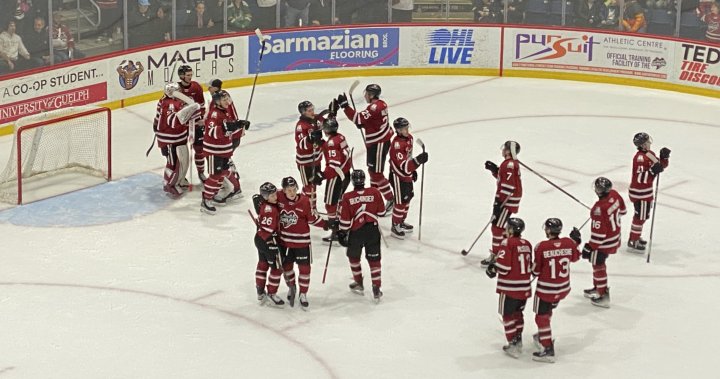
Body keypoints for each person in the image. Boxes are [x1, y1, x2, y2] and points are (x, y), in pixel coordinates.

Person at [337, 84, 394, 214]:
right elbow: (370, 121)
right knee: (372, 171)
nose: (365, 95)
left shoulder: (375, 107)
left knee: (377, 174)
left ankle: (391, 199)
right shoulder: (380, 104)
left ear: (371, 95)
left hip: (379, 143)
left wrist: (345, 106)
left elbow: (358, 118)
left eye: (367, 93)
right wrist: (364, 124)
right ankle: (375, 197)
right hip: (376, 142)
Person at [530, 218, 581, 363]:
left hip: (546, 290)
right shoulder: (568, 243)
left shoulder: (541, 247)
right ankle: (543, 335)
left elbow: (536, 270)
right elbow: (575, 257)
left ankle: (547, 348)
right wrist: (576, 241)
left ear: (547, 230)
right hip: (563, 288)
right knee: (547, 312)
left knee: (541, 317)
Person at [276, 176, 328, 310]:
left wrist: (326, 224)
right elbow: (267, 198)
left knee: (305, 270)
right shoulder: (278, 197)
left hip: (302, 242)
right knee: (287, 267)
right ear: (284, 190)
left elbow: (311, 218)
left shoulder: (304, 201)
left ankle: (303, 294)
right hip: (285, 242)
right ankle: (291, 287)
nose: (292, 193)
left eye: (294, 190)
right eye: (289, 190)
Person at [485, 218, 532, 358]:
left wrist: (493, 268)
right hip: (524, 287)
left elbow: (504, 267)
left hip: (510, 288)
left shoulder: (507, 243)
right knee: (518, 314)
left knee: (507, 315)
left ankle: (513, 343)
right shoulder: (527, 244)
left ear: (511, 230)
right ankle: (518, 339)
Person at [336, 169, 386, 302]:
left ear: (352, 181)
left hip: (356, 232)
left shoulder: (347, 197)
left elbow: (345, 222)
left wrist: (340, 231)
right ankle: (376, 287)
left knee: (353, 257)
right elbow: (381, 213)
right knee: (374, 260)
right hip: (372, 231)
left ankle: (358, 282)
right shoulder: (375, 192)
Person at [201, 90, 249, 214]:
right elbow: (211, 131)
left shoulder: (224, 112)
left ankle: (213, 195)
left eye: (228, 99)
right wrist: (228, 127)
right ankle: (206, 200)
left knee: (222, 173)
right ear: (217, 102)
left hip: (223, 151)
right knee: (215, 175)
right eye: (224, 100)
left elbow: (227, 130)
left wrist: (238, 125)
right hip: (214, 151)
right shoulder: (215, 114)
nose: (228, 102)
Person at [583, 177, 627, 308]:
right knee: (597, 263)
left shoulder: (598, 209)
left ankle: (603, 294)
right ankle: (598, 287)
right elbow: (623, 211)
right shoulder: (615, 194)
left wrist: (589, 247)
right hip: (615, 237)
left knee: (598, 264)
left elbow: (599, 234)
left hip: (604, 243)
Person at [153, 83, 201, 198]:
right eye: (178, 90)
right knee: (173, 163)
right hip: (170, 140)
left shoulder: (172, 101)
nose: (181, 92)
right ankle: (169, 184)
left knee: (182, 161)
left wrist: (191, 110)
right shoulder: (169, 103)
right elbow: (173, 121)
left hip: (178, 137)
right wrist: (189, 110)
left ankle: (179, 180)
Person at [310, 118, 352, 242]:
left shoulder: (332, 143)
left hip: (336, 177)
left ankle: (336, 231)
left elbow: (334, 165)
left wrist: (322, 175)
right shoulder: (340, 137)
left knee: (330, 204)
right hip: (345, 174)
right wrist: (321, 142)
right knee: (338, 202)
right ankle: (343, 227)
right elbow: (335, 150)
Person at [482, 141, 523, 267]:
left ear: (507, 151)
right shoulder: (510, 164)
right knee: (501, 228)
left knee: (497, 228)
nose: (502, 150)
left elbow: (508, 186)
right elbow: (505, 180)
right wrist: (495, 171)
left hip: (507, 202)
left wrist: (499, 204)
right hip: (508, 200)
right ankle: (504, 252)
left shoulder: (509, 164)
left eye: (504, 148)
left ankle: (497, 256)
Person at [627, 133, 670, 251]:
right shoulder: (640, 158)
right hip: (640, 193)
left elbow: (659, 166)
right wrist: (652, 171)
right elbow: (640, 178)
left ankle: (635, 236)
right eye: (647, 142)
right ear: (643, 145)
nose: (649, 143)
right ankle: (633, 240)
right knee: (640, 217)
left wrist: (664, 158)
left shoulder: (649, 154)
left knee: (643, 216)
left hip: (645, 193)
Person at [388, 117, 428, 239]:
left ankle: (401, 221)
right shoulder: (397, 145)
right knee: (400, 202)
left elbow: (408, 159)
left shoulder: (410, 138)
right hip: (398, 176)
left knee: (408, 198)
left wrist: (413, 169)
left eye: (407, 127)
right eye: (404, 128)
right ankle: (395, 225)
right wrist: (417, 161)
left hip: (406, 175)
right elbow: (404, 166)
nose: (406, 130)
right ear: (398, 130)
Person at [206, 78, 243, 203]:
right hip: (230, 137)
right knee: (224, 166)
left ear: (215, 88)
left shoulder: (220, 102)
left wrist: (236, 127)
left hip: (227, 139)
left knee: (219, 168)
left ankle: (226, 188)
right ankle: (234, 186)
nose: (208, 89)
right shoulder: (223, 101)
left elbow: (222, 124)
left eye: (210, 87)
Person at [253, 182, 286, 307]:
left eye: (275, 194)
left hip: (259, 239)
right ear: (265, 197)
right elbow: (267, 229)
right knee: (277, 268)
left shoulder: (263, 203)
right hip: (267, 240)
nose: (275, 197)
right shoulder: (270, 209)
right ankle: (272, 293)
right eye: (271, 195)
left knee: (262, 264)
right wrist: (270, 243)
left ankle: (260, 292)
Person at [295, 100, 328, 213]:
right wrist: (309, 138)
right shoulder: (300, 126)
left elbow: (327, 124)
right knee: (309, 188)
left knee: (314, 185)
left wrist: (332, 114)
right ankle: (309, 209)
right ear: (303, 112)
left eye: (312, 109)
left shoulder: (317, 119)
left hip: (316, 159)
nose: (312, 112)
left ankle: (310, 207)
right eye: (309, 110)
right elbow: (301, 144)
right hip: (305, 162)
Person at [176, 65, 208, 183]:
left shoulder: (196, 87)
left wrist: (201, 119)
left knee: (199, 150)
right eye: (188, 75)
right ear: (181, 76)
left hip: (196, 125)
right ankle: (180, 176)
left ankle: (201, 173)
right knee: (181, 153)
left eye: (191, 74)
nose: (190, 77)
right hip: (181, 127)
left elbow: (202, 106)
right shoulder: (176, 89)